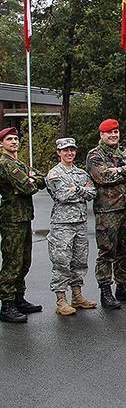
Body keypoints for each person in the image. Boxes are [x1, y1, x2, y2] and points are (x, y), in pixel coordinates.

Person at [86, 118, 126, 309]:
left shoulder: (123, 152)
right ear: (102, 134)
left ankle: (122, 285)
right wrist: (122, 170)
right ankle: (105, 290)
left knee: (125, 249)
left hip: (125, 207)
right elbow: (102, 176)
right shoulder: (95, 155)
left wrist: (118, 170)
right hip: (107, 210)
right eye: (109, 133)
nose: (113, 136)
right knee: (107, 252)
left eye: (116, 132)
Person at [45, 137, 97, 316]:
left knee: (79, 261)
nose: (69, 153)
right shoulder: (54, 174)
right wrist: (79, 191)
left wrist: (77, 189)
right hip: (62, 225)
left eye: (72, 150)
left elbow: (92, 193)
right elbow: (62, 196)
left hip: (80, 223)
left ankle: (77, 296)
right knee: (61, 262)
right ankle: (61, 300)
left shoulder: (81, 173)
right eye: (65, 150)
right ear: (59, 152)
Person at [0, 127, 46, 323]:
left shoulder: (18, 163)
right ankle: (7, 304)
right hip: (11, 218)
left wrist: (30, 179)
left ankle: (19, 298)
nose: (14, 142)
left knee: (24, 260)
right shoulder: (4, 163)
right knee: (12, 261)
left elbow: (41, 179)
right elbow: (27, 186)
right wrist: (28, 181)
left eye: (16, 139)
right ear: (1, 144)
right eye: (9, 139)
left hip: (24, 217)